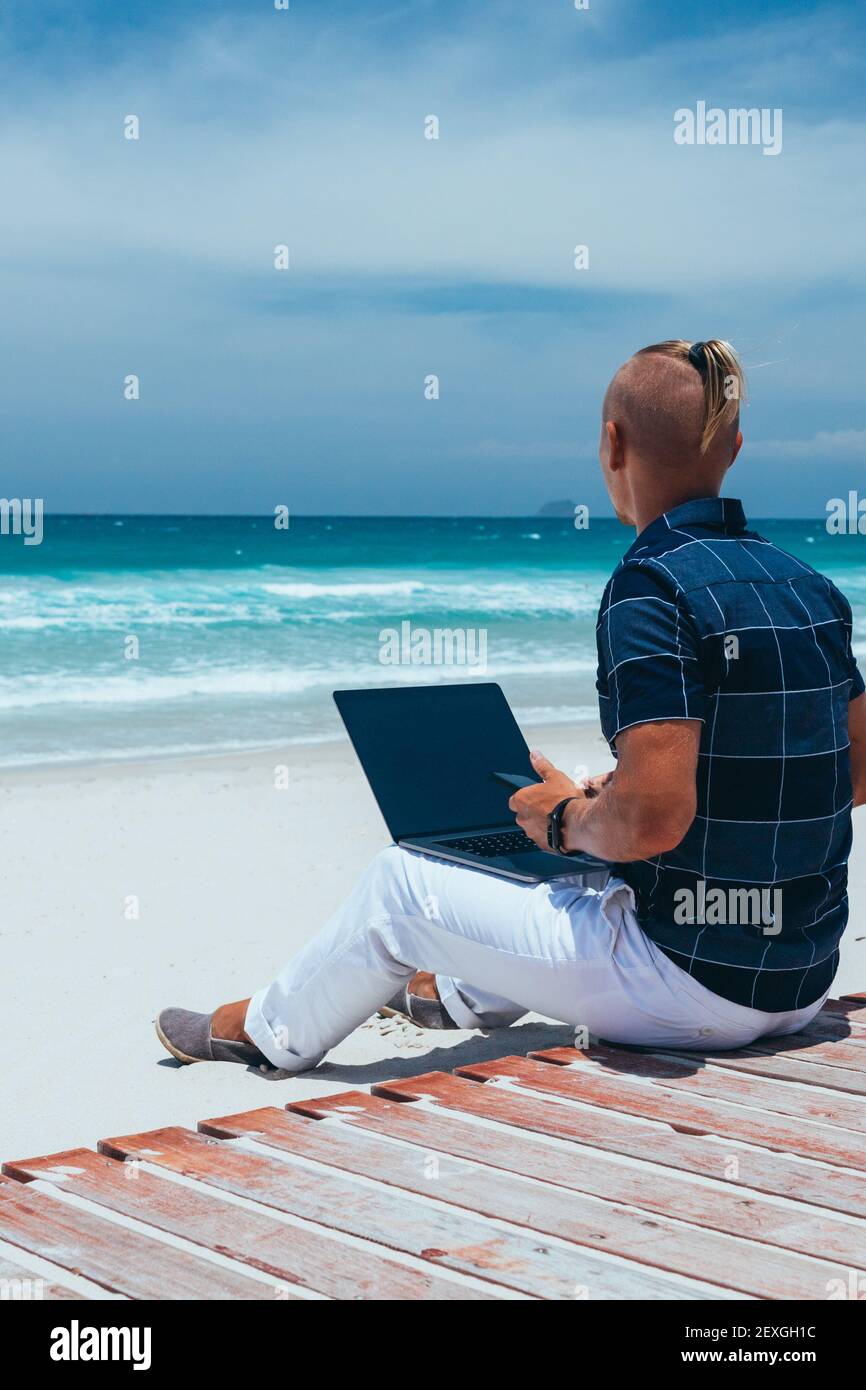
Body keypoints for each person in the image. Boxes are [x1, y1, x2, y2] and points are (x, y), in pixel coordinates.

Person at [156, 338, 866, 1073]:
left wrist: (567, 819)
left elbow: (656, 822)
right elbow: (853, 774)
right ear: (735, 448)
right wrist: (613, 798)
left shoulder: (652, 586)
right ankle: (461, 997)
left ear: (611, 442)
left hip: (690, 991)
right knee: (587, 850)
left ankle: (268, 1031)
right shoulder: (805, 584)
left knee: (401, 887)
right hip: (802, 979)